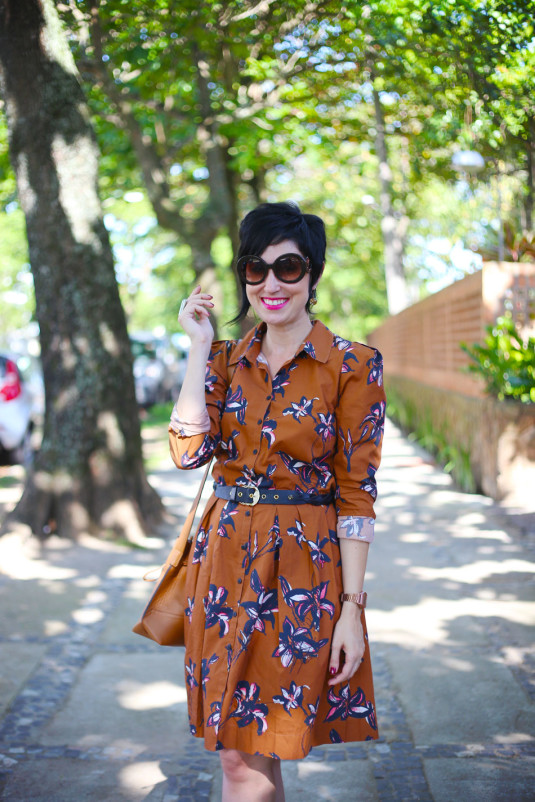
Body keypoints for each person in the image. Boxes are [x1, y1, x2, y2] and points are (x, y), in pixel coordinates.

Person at [169, 201, 386, 802]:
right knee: (236, 753)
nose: (271, 283)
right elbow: (187, 452)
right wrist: (198, 347)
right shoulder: (222, 360)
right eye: (255, 268)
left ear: (312, 274)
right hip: (224, 566)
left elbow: (357, 496)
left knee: (261, 744)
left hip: (299, 573)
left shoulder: (353, 365)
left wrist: (352, 610)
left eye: (288, 267)